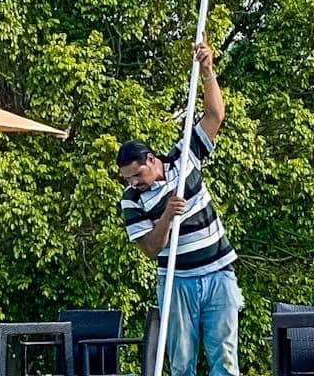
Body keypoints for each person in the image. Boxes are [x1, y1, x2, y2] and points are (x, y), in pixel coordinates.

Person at [116, 36, 242, 376]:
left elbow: (215, 115)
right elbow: (149, 248)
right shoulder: (132, 200)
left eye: (137, 174)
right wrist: (168, 216)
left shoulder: (183, 157)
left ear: (151, 160)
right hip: (177, 280)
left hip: (218, 272)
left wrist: (207, 71)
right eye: (128, 179)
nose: (134, 182)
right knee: (181, 363)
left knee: (224, 358)